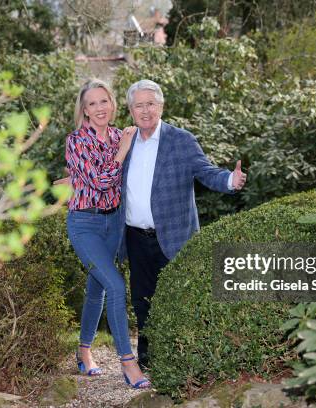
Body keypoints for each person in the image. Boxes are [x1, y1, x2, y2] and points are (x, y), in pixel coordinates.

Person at [121, 79, 247, 368]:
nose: (145, 110)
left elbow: (206, 172)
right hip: (135, 237)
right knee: (142, 302)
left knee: (178, 299)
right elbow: (107, 174)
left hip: (175, 235)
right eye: (138, 105)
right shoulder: (124, 142)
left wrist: (230, 180)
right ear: (130, 110)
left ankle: (181, 359)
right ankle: (148, 361)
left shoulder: (180, 140)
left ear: (161, 106)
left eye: (150, 103)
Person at [65, 78, 150, 389]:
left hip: (114, 223)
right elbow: (101, 181)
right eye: (92, 103)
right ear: (85, 110)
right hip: (84, 224)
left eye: (104, 101)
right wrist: (124, 149)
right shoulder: (76, 141)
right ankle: (128, 363)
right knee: (115, 285)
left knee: (97, 288)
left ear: (113, 104)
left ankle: (84, 350)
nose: (100, 108)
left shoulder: (120, 135)